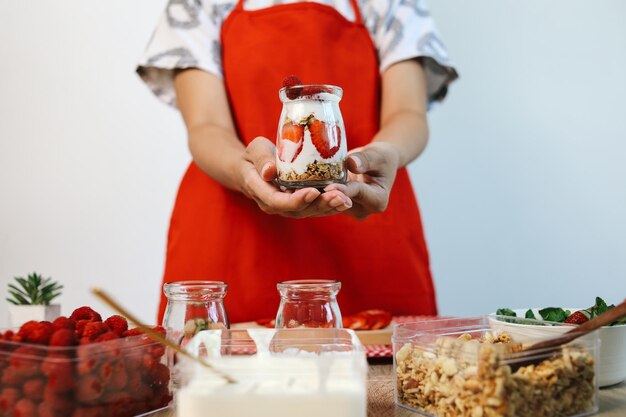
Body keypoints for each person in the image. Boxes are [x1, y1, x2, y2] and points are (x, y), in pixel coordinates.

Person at [137, 0, 458, 324]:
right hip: (235, 230)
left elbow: (408, 113)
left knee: (388, 366)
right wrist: (244, 170)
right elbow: (206, 125)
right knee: (218, 362)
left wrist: (387, 152)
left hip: (365, 221)